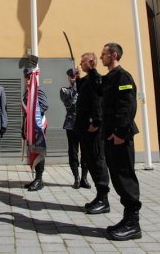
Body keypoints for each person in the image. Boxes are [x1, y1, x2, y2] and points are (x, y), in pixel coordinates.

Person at [100, 43, 142, 241]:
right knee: (117, 178)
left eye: (104, 54)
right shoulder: (108, 78)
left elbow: (127, 106)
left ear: (114, 55)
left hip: (120, 137)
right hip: (111, 137)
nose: (101, 57)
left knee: (125, 177)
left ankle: (134, 224)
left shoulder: (122, 76)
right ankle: (127, 219)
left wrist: (119, 132)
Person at [75, 53, 110, 214]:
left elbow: (97, 102)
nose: (81, 64)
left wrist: (96, 122)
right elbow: (83, 94)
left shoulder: (95, 78)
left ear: (91, 62)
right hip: (85, 129)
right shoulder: (88, 79)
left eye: (83, 62)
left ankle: (104, 199)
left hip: (93, 130)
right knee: (90, 159)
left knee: (97, 161)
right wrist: (76, 79)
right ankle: (99, 196)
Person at [60, 69, 91, 189]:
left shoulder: (85, 90)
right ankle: (76, 178)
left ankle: (84, 178)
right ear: (68, 78)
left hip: (84, 125)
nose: (73, 77)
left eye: (75, 75)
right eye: (71, 76)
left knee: (85, 152)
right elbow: (68, 103)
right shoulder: (65, 90)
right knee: (73, 152)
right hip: (71, 124)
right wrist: (74, 88)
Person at [22, 67, 49, 191]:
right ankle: (36, 179)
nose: (27, 80)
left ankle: (39, 179)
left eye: (29, 78)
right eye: (25, 78)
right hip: (30, 126)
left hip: (38, 126)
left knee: (39, 150)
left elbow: (44, 106)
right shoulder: (27, 92)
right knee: (32, 151)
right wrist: (24, 128)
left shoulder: (38, 91)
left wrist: (34, 114)